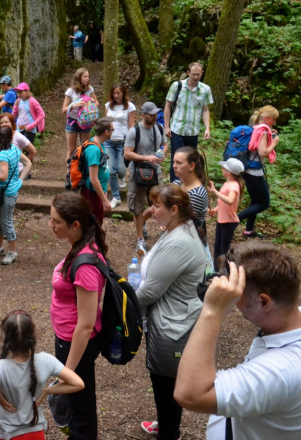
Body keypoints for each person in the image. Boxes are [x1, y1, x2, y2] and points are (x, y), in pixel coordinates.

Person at [175, 243, 301, 440]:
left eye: (237, 295)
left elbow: (189, 394)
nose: (234, 302)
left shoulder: (280, 372)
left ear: (264, 302)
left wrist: (212, 310)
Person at [135, 184, 205, 440]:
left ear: (174, 210)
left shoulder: (179, 242)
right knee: (166, 386)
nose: (151, 211)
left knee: (165, 386)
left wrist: (121, 303)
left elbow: (150, 292)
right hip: (172, 320)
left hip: (172, 327)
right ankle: (167, 426)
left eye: (156, 206)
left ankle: (168, 432)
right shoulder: (176, 230)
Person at [0, 311, 85, 440]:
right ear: (33, 336)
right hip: (35, 430)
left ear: (6, 339)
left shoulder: (0, 367)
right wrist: (47, 391)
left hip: (7, 432)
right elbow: (78, 384)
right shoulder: (46, 360)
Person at [47, 192, 108, 439]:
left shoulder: (84, 265)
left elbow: (85, 324)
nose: (51, 225)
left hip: (76, 343)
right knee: (76, 405)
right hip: (68, 339)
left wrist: (67, 373)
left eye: (56, 221)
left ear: (75, 225)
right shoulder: (79, 247)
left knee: (81, 408)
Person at [0, 126, 32, 265]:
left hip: (6, 193)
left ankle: (12, 252)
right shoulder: (15, 150)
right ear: (11, 138)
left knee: (6, 222)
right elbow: (28, 163)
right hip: (4, 192)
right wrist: (20, 180)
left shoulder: (3, 155)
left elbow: (3, 177)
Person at [125, 102, 167, 257]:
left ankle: (158, 229)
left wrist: (161, 155)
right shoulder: (134, 131)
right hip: (137, 172)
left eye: (156, 114)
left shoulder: (159, 128)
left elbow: (164, 145)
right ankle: (140, 238)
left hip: (155, 172)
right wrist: (147, 158)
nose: (155, 117)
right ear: (143, 115)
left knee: (160, 202)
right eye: (152, 114)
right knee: (137, 207)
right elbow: (127, 154)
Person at [163, 62, 214, 182]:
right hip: (177, 129)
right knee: (176, 161)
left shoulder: (205, 89)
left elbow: (205, 109)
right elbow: (168, 106)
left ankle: (186, 185)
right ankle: (174, 188)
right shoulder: (177, 86)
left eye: (198, 75)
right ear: (188, 73)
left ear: (202, 73)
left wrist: (207, 128)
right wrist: (166, 127)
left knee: (190, 160)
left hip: (193, 131)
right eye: (193, 74)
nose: (195, 77)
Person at [237, 105, 280, 239]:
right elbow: (263, 152)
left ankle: (249, 230)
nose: (274, 122)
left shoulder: (254, 127)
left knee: (255, 201)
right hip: (255, 172)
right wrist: (274, 143)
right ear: (267, 118)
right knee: (264, 203)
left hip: (246, 169)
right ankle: (233, 220)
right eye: (273, 119)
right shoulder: (263, 131)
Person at [103, 84, 136, 208]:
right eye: (114, 93)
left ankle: (121, 177)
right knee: (111, 170)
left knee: (121, 170)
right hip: (109, 141)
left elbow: (131, 124)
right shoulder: (108, 106)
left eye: (118, 93)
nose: (116, 96)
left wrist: (130, 140)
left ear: (123, 94)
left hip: (123, 142)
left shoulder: (130, 106)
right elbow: (107, 122)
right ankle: (116, 197)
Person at [208, 159, 244, 262]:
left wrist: (214, 191)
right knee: (217, 246)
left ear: (230, 172)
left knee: (224, 248)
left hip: (229, 222)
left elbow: (229, 201)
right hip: (222, 220)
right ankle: (216, 270)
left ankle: (224, 271)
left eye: (224, 168)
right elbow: (223, 202)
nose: (222, 169)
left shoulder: (234, 186)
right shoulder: (228, 183)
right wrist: (215, 210)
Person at [62, 68, 98, 170]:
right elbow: (64, 110)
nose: (87, 79)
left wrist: (91, 101)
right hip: (72, 122)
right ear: (79, 77)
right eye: (85, 77)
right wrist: (75, 105)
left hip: (86, 121)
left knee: (85, 147)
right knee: (72, 149)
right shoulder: (70, 91)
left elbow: (97, 102)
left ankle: (84, 172)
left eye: (88, 77)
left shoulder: (90, 89)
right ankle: (70, 173)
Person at [79, 118, 112, 225]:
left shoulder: (99, 145)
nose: (113, 132)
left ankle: (94, 241)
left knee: (97, 223)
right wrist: (104, 200)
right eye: (112, 130)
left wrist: (104, 190)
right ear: (106, 132)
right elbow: (93, 179)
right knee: (94, 224)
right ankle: (92, 242)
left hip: (97, 192)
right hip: (92, 193)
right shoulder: (94, 149)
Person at [172, 146, 210, 232]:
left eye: (179, 163)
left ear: (192, 166)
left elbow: (182, 222)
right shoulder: (177, 184)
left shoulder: (197, 194)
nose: (174, 166)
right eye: (173, 162)